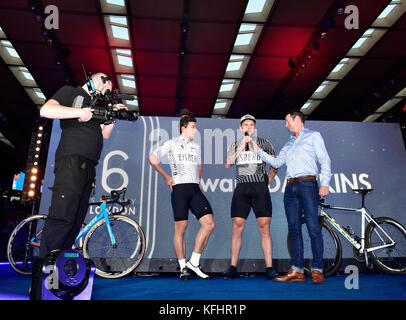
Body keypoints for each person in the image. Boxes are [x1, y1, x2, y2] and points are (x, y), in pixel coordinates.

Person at [30, 73, 126, 299]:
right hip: (71, 162)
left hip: (88, 167)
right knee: (62, 219)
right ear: (97, 81)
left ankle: (58, 283)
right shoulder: (72, 92)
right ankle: (41, 286)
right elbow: (46, 110)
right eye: (106, 89)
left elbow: (104, 134)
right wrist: (79, 112)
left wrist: (112, 116)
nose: (106, 95)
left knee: (73, 224)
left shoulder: (96, 106)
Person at [252, 110, 331, 284]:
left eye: (287, 121)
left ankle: (318, 270)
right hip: (290, 188)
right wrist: (258, 151)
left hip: (308, 184)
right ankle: (297, 270)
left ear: (297, 120)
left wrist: (325, 183)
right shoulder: (289, 143)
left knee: (313, 228)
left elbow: (324, 160)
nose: (285, 125)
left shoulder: (313, 136)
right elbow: (277, 162)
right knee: (294, 230)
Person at [147, 114, 215, 280]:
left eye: (195, 127)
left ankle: (194, 262)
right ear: (183, 128)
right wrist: (165, 176)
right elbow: (152, 158)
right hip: (179, 189)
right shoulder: (172, 143)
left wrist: (198, 180)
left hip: (194, 189)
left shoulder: (196, 147)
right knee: (181, 228)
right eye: (193, 127)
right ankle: (183, 267)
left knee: (209, 224)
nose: (195, 130)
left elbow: (199, 165)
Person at [223, 114, 279, 280]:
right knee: (237, 226)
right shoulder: (235, 144)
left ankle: (269, 267)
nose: (248, 127)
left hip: (259, 188)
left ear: (255, 128)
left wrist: (266, 181)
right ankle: (233, 267)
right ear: (241, 128)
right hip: (242, 188)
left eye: (251, 125)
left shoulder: (264, 143)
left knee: (264, 227)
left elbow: (275, 164)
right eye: (245, 125)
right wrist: (241, 146)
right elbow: (227, 163)